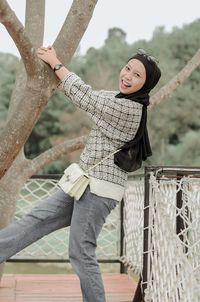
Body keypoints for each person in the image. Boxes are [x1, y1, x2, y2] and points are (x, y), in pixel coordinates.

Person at [0, 46, 161, 302]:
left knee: (80, 252)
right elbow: (85, 96)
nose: (128, 76)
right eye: (128, 68)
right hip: (82, 182)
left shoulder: (130, 109)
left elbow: (87, 98)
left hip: (99, 190)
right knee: (35, 220)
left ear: (146, 84)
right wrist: (60, 78)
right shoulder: (118, 99)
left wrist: (55, 62)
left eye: (137, 75)